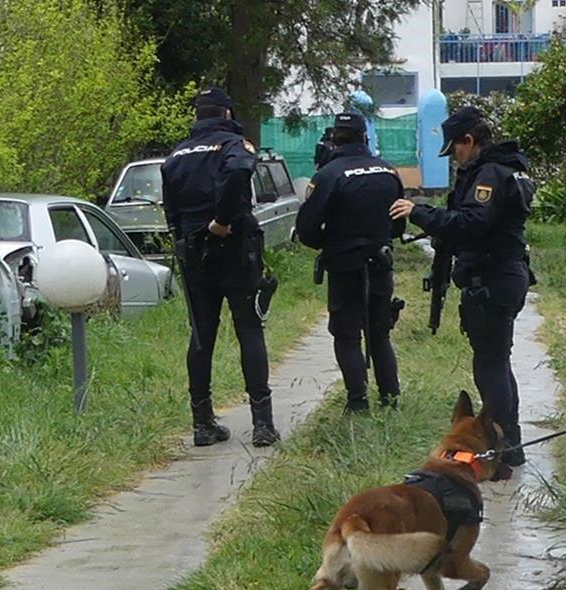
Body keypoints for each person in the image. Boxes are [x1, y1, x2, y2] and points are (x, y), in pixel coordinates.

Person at [389, 106, 535, 466]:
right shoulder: (502, 170)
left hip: (493, 279)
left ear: (469, 141)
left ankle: (502, 446)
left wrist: (419, 211)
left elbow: (472, 222)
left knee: (490, 365)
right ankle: (509, 443)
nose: (454, 156)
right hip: (502, 276)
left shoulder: (489, 174)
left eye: (455, 148)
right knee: (497, 361)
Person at [161, 87, 280, 447]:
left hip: (194, 253)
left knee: (201, 337)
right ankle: (262, 424)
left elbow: (170, 207)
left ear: (198, 116)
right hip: (233, 247)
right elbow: (239, 173)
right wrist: (223, 220)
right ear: (227, 115)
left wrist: (184, 239)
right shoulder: (233, 145)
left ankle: (202, 423)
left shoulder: (177, 154)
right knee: (249, 330)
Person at [297, 111, 406, 413]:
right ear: (364, 137)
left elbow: (306, 229)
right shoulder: (388, 172)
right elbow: (398, 225)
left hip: (345, 266)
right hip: (381, 261)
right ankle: (390, 398)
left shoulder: (328, 176)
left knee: (346, 335)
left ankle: (358, 402)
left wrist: (331, 244)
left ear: (333, 139)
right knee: (380, 332)